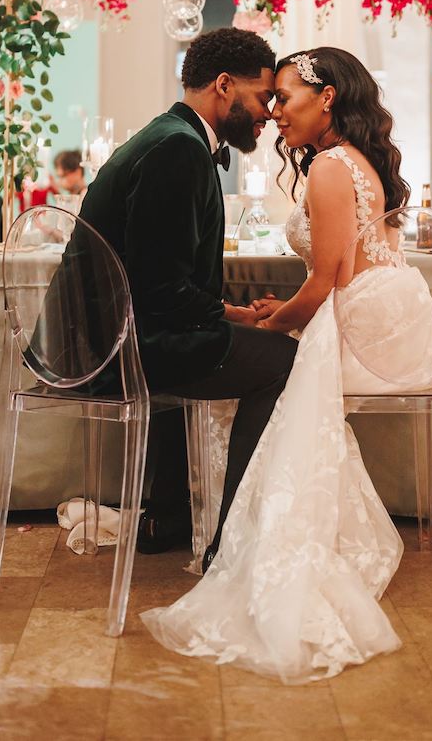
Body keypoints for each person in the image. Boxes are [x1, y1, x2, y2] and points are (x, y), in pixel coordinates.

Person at [141, 47, 432, 683]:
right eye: (274, 99)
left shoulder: (330, 168)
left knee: (274, 371)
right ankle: (227, 531)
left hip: (363, 324)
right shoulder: (353, 160)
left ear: (328, 98)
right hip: (385, 317)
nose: (276, 112)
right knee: (277, 368)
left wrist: (271, 317)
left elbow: (324, 285)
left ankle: (237, 542)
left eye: (285, 98)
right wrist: (280, 312)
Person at [79, 28, 298, 555]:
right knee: (286, 360)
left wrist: (222, 315)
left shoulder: (170, 137)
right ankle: (231, 540)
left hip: (120, 334)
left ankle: (169, 514)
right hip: (124, 347)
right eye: (263, 96)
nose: (269, 113)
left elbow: (162, 281)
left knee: (232, 341)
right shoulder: (178, 150)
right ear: (224, 85)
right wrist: (234, 316)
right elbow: (161, 288)